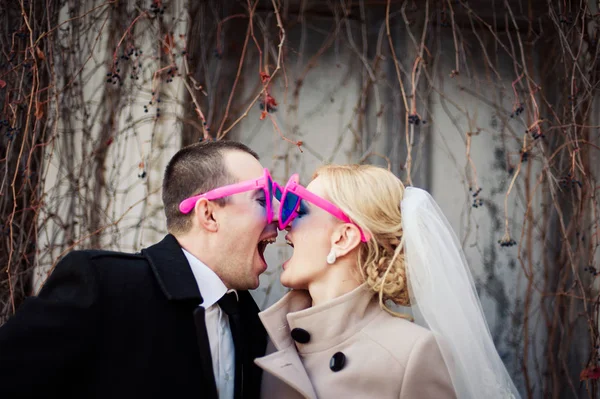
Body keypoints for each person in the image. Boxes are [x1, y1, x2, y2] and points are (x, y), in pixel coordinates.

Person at [0, 140, 279, 399]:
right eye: (262, 200)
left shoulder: (253, 323)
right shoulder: (102, 287)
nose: (279, 217)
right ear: (209, 214)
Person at [256, 164, 520, 399]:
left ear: (343, 238)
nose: (283, 223)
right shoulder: (270, 339)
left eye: (297, 210)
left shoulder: (413, 354)